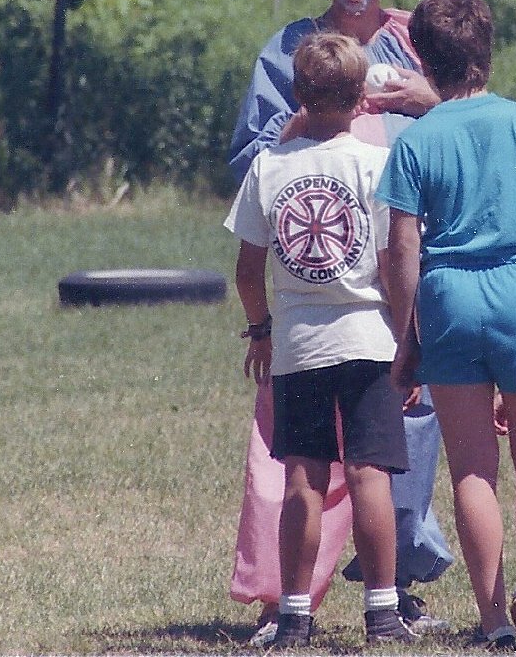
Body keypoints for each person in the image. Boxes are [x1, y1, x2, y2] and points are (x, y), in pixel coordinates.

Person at [226, 0, 453, 646]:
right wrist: (302, 127)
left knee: (400, 445)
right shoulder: (288, 48)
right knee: (291, 457)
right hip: (311, 287)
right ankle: (284, 597)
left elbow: (467, 123)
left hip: (403, 272)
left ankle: (395, 590)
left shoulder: (418, 43)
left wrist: (429, 101)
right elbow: (250, 161)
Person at [377, 0, 516, 651]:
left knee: (472, 466)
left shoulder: (416, 139)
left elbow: (403, 246)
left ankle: (496, 621)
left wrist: (405, 336)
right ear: (487, 53)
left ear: (423, 59)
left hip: (449, 297)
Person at [225, 33, 416, 648]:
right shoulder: (377, 166)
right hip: (369, 341)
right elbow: (392, 264)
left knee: (303, 481)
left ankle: (295, 615)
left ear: (298, 96)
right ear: (364, 98)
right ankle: (383, 614)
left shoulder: (269, 166)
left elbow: (248, 270)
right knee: (370, 477)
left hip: (298, 348)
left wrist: (260, 328)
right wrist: (408, 339)